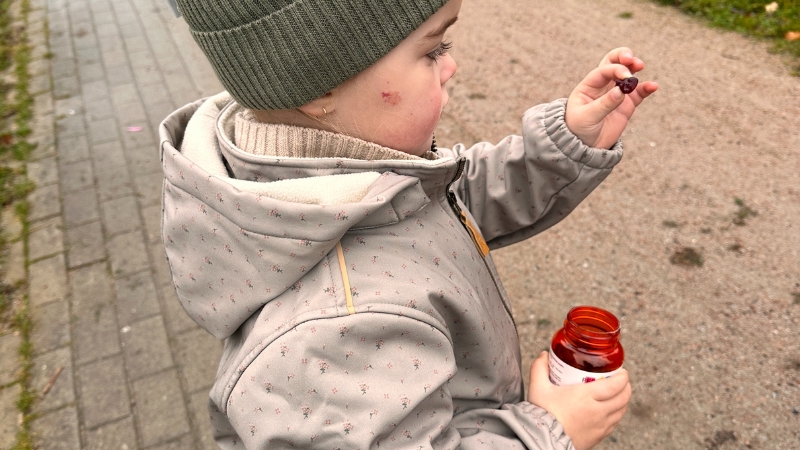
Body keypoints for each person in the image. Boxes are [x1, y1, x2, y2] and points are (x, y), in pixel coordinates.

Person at [159, 0, 658, 448]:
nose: (451, 66)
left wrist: (565, 143)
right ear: (319, 82)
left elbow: (452, 199)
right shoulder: (337, 333)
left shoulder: (351, 180)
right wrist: (548, 432)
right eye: (433, 49)